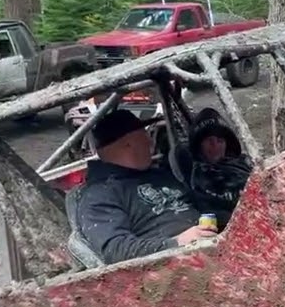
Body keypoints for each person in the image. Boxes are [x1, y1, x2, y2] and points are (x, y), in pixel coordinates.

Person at [75, 109, 216, 263]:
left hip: (213, 247)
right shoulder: (99, 194)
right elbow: (116, 250)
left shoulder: (158, 175)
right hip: (171, 270)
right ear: (128, 144)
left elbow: (201, 205)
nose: (150, 142)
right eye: (144, 135)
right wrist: (176, 244)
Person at [187, 107, 253, 219]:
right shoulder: (201, 177)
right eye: (209, 141)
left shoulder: (242, 162)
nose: (215, 145)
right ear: (199, 145)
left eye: (220, 140)